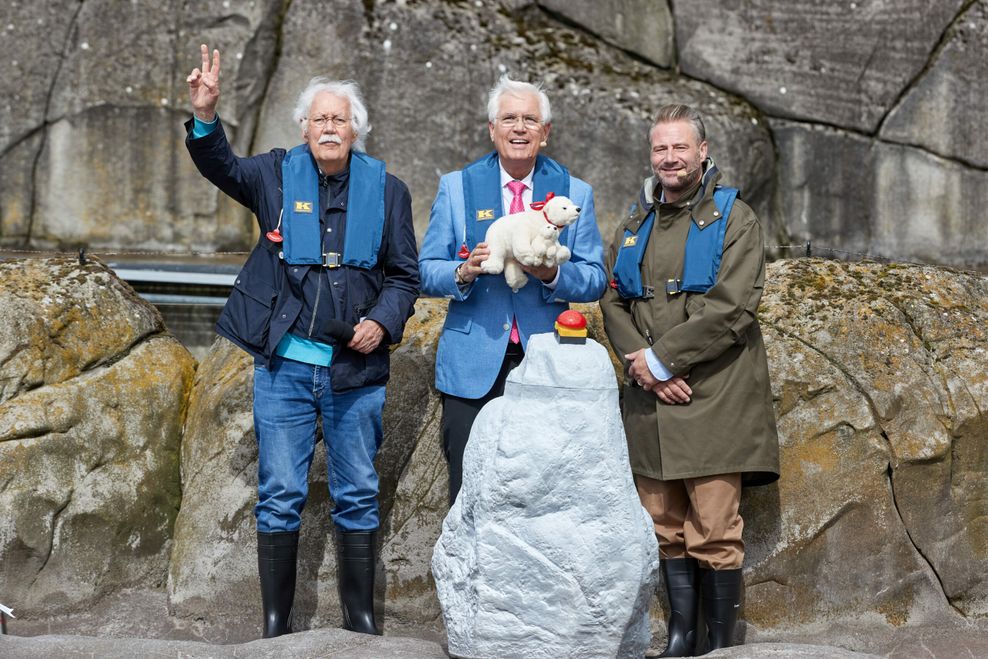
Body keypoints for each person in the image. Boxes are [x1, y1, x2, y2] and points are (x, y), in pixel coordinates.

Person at [184, 45, 419, 638]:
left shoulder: (390, 191)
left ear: (357, 129)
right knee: (280, 493)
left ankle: (360, 622)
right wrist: (207, 117)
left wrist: (383, 323)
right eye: (320, 119)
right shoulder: (272, 174)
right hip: (283, 368)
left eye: (340, 119)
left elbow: (404, 276)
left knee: (358, 493)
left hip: (355, 372)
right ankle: (275, 623)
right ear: (304, 128)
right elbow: (221, 167)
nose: (330, 128)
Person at [600, 104, 780, 656]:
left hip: (713, 398)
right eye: (660, 149)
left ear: (703, 152)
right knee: (662, 525)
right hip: (652, 403)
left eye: (680, 147)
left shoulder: (736, 219)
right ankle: (683, 635)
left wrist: (663, 363)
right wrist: (646, 369)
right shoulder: (635, 222)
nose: (669, 158)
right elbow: (612, 299)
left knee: (715, 530)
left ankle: (720, 644)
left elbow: (732, 308)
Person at [419, 75, 607, 505]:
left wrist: (550, 277)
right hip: (473, 363)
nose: (519, 127)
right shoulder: (456, 187)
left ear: (546, 133)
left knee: (544, 494)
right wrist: (463, 272)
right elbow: (425, 270)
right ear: (492, 129)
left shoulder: (575, 193)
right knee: (468, 492)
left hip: (550, 361)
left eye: (529, 119)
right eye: (509, 118)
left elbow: (595, 277)